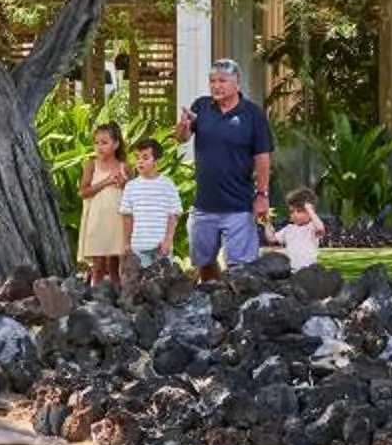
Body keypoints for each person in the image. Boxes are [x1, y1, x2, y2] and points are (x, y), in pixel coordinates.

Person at [172, 57, 274, 280]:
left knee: (240, 268)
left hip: (239, 207)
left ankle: (239, 309)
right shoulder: (202, 107)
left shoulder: (253, 114)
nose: (216, 86)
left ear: (237, 83)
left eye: (222, 81)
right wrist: (184, 126)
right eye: (212, 81)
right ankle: (212, 304)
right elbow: (181, 138)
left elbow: (263, 157)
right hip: (204, 207)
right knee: (204, 264)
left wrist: (262, 194)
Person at [117, 138, 184, 277]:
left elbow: (174, 214)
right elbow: (127, 217)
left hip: (160, 248)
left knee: (161, 284)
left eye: (145, 157)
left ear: (157, 161)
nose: (140, 161)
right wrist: (126, 244)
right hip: (138, 248)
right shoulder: (131, 187)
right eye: (137, 158)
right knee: (137, 283)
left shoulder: (167, 185)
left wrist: (168, 240)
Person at [75, 122, 129, 282]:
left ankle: (116, 300)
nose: (99, 146)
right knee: (98, 265)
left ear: (116, 144)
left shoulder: (123, 166)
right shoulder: (91, 165)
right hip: (97, 222)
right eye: (96, 142)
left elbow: (131, 192)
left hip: (116, 221)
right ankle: (96, 299)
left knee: (114, 264)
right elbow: (84, 192)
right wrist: (106, 181)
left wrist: (124, 183)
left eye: (104, 142)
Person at [268, 187, 326, 271]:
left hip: (308, 270)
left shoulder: (312, 227)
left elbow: (321, 228)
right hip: (291, 270)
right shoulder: (288, 229)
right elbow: (271, 239)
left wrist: (309, 210)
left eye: (299, 211)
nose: (294, 214)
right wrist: (266, 222)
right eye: (291, 211)